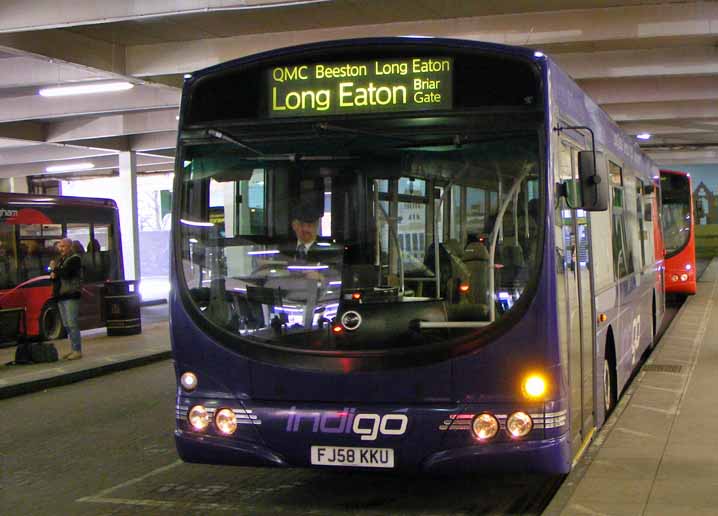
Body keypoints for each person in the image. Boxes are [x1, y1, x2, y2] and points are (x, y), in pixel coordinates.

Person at [50, 238, 83, 360]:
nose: (61, 249)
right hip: (61, 295)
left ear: (70, 246)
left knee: (72, 323)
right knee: (66, 324)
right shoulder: (61, 260)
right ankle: (73, 349)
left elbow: (67, 274)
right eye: (60, 247)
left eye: (63, 246)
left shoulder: (75, 259)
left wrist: (55, 269)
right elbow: (57, 277)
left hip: (71, 294)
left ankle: (77, 350)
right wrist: (53, 274)